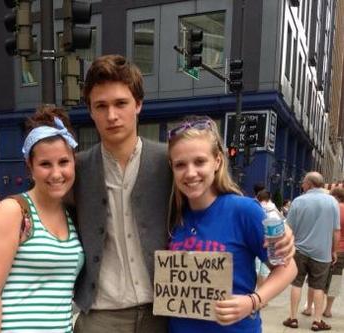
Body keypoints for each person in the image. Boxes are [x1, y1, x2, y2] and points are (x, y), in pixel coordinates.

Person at [72, 54, 295, 333]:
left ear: (138, 105)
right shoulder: (75, 169)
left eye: (121, 103)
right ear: (90, 111)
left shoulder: (170, 159)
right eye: (100, 106)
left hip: (161, 314)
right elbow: (46, 205)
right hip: (102, 316)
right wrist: (20, 211)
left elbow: (218, 201)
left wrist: (281, 235)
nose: (112, 115)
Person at [167, 116, 297, 332]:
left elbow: (288, 267)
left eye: (200, 161)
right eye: (180, 164)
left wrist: (253, 301)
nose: (190, 173)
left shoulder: (244, 210)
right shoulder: (172, 215)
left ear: (217, 161)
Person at [0, 106, 84, 332]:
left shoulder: (71, 213)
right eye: (45, 164)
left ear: (74, 162)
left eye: (63, 162)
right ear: (30, 168)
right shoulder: (13, 211)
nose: (56, 173)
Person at [283, 172, 340, 331]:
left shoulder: (298, 201)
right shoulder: (331, 202)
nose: (302, 184)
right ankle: (317, 320)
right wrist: (333, 251)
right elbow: (336, 231)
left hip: (299, 250)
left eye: (303, 182)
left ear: (309, 184)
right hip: (322, 253)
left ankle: (293, 318)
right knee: (319, 287)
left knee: (296, 283)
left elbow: (288, 228)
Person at [322, 186, 344, 318]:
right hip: (342, 249)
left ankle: (312, 305)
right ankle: (328, 309)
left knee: (320, 277)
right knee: (336, 279)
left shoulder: (331, 209)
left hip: (328, 247)